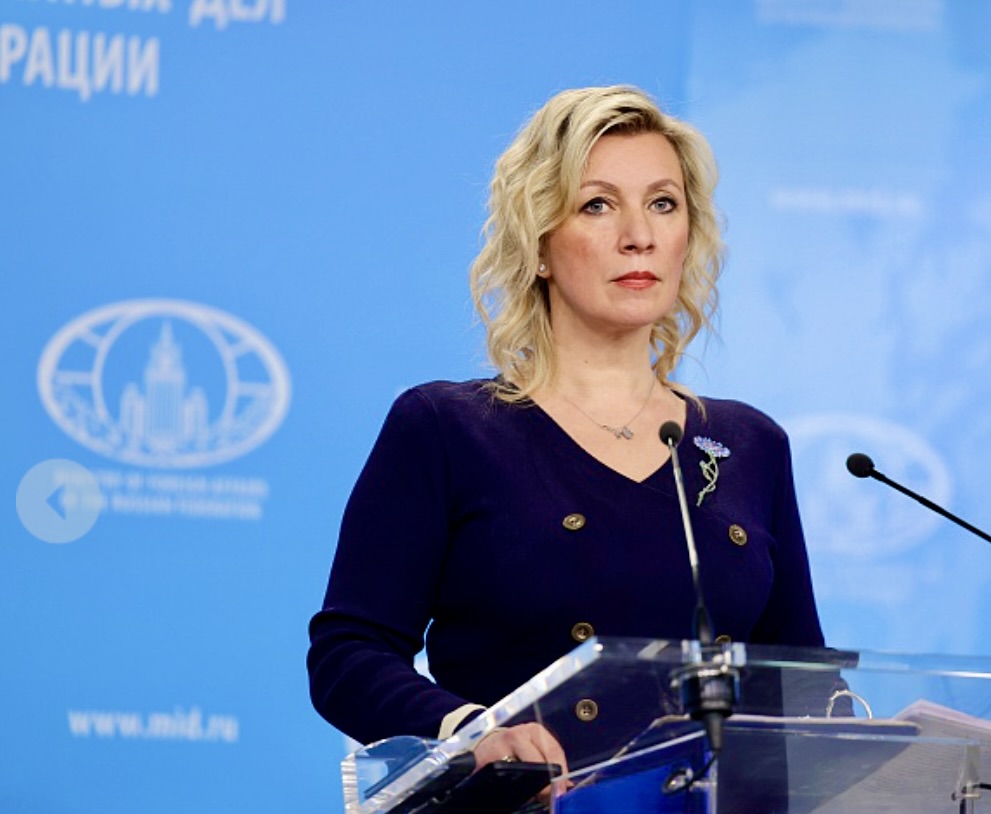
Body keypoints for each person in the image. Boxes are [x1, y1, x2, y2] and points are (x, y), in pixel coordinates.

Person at [307, 85, 829, 783]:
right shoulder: (447, 429)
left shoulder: (748, 444)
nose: (639, 235)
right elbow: (349, 653)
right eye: (597, 205)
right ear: (540, 245)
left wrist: (890, 743)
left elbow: (802, 685)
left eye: (663, 203)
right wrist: (471, 732)